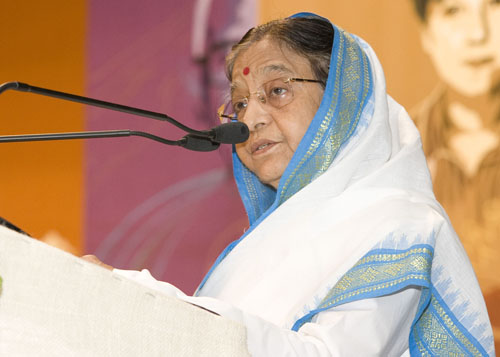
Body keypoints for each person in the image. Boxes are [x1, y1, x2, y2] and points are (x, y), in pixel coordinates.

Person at [87, 12, 494, 355]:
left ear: (342, 99)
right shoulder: (252, 251)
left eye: (277, 91)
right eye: (241, 102)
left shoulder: (402, 226)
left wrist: (135, 298)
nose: (251, 120)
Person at [411, 0, 500, 346]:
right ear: (426, 34)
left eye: (494, 7)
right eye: (453, 11)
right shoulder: (396, 153)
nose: (477, 34)